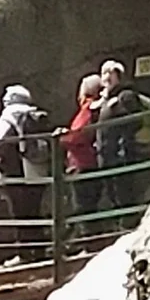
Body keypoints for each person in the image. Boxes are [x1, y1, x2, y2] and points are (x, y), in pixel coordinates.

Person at [0, 82, 53, 258]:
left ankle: (25, 253)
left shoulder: (8, 116)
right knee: (34, 211)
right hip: (36, 169)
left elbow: (1, 144)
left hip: (16, 172)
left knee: (20, 213)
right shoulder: (34, 114)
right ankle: (40, 250)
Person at [94, 59, 150, 225]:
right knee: (113, 194)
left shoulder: (125, 95)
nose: (106, 77)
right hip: (108, 154)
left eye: (110, 73)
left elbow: (133, 121)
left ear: (119, 76)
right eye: (103, 73)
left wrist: (122, 140)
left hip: (120, 154)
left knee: (124, 193)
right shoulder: (105, 99)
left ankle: (128, 227)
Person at [64, 73, 104, 234]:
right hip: (94, 161)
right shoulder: (101, 107)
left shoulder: (88, 108)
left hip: (82, 163)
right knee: (90, 204)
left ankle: (87, 244)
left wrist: (62, 137)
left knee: (82, 205)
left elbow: (76, 136)